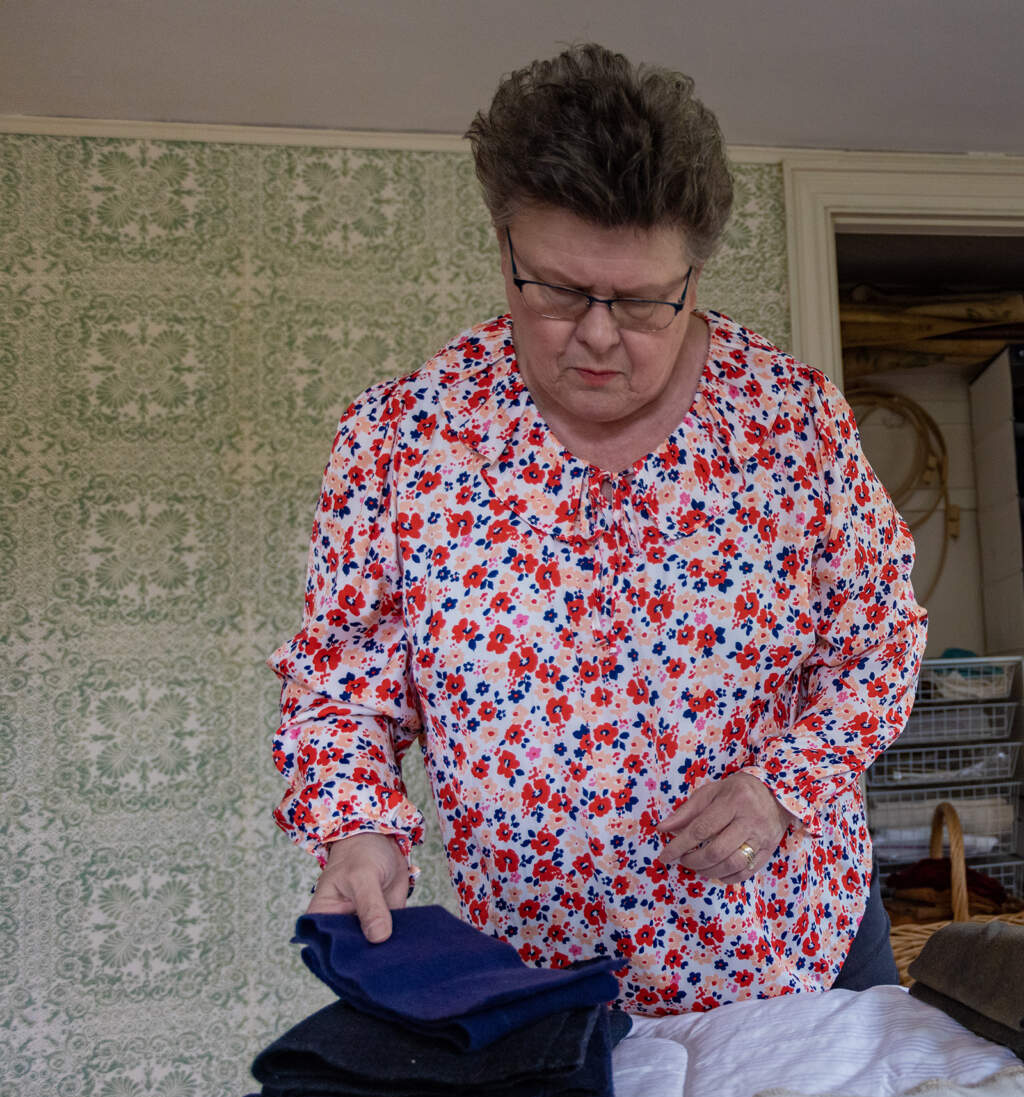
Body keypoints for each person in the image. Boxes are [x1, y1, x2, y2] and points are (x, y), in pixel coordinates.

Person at [270, 45, 926, 1012]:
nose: (601, 333)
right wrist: (360, 828)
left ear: (693, 275)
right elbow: (342, 685)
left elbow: (880, 640)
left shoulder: (793, 422)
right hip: (540, 981)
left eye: (642, 299)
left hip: (799, 950)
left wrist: (787, 783)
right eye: (562, 291)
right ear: (504, 251)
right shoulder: (400, 439)